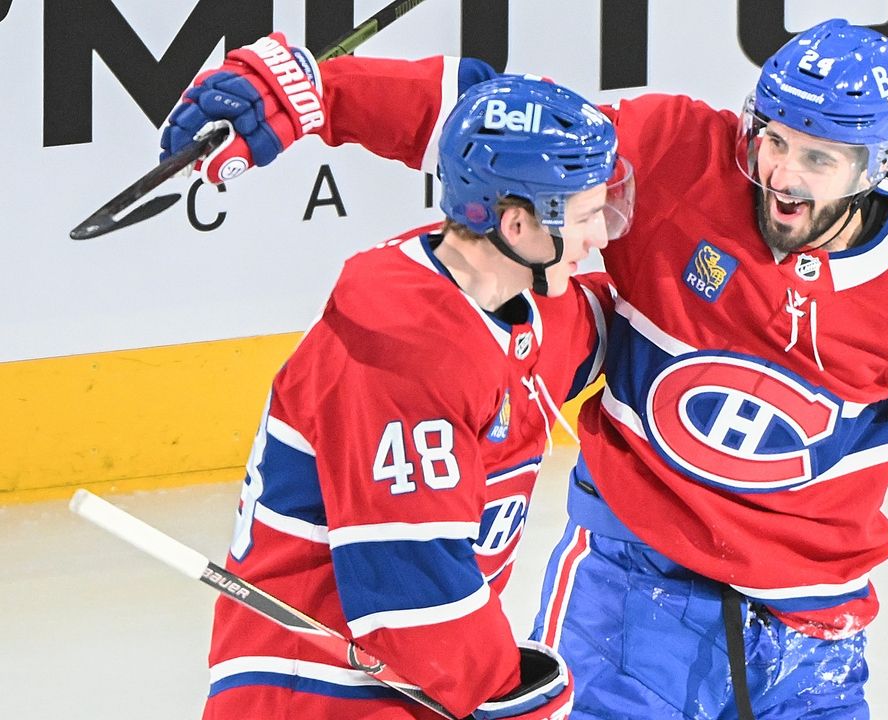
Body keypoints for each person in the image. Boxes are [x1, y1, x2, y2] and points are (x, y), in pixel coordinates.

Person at [162, 21, 888, 719]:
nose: (779, 173)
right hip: (623, 591)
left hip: (809, 628)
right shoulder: (670, 150)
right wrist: (316, 97)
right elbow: (509, 129)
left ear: (877, 165)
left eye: (816, 159)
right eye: (770, 140)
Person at [172, 45, 636, 720]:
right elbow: (410, 591)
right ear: (516, 224)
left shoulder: (529, 301)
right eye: (586, 216)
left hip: (408, 684)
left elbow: (616, 335)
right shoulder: (400, 345)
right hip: (313, 684)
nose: (600, 236)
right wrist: (502, 692)